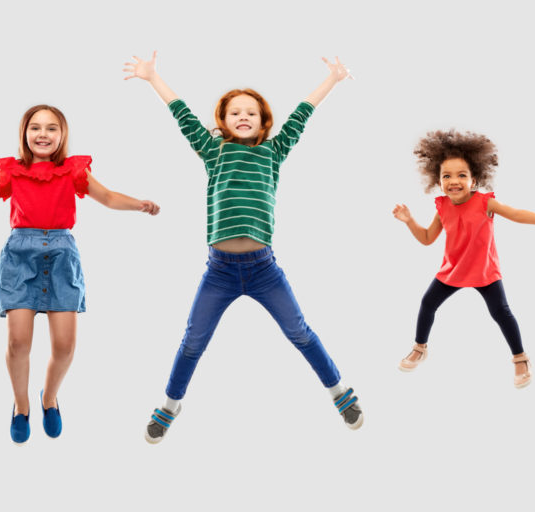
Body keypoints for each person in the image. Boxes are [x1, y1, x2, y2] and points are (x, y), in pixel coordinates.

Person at [124, 52, 363, 443]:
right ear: (223, 121)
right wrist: (153, 77)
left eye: (250, 112)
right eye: (234, 112)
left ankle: (339, 392)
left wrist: (332, 80)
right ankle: (171, 403)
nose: (243, 117)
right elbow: (181, 113)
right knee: (193, 341)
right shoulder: (212, 150)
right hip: (219, 271)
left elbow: (302, 113)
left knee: (299, 332)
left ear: (263, 121)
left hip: (264, 269)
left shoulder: (274, 151)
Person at [0, 104, 159, 443]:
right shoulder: (12, 171)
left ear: (62, 135)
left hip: (61, 255)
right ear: (25, 134)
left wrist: (140, 204)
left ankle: (49, 398)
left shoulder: (73, 170)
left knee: (65, 345)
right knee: (18, 342)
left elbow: (109, 196)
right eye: (35, 127)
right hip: (20, 257)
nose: (43, 134)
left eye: (51, 128)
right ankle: (21, 405)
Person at [392, 129, 535, 388]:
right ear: (437, 180)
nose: (454, 180)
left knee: (501, 312)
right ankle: (420, 347)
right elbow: (428, 238)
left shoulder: (485, 202)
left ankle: (520, 357)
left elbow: (516, 213)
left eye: (462, 175)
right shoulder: (442, 207)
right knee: (427, 303)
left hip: (484, 272)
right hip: (452, 271)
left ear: (474, 180)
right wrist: (409, 222)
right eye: (447, 176)